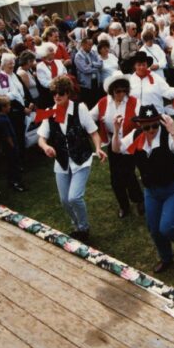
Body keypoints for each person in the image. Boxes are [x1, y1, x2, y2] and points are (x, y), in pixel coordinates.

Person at [112, 104, 174, 274]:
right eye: (146, 126)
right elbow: (116, 148)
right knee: (154, 229)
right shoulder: (136, 136)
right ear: (140, 125)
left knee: (168, 227)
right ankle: (166, 258)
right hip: (152, 191)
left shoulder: (169, 135)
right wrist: (116, 130)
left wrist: (173, 131)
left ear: (160, 122)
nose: (151, 130)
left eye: (155, 125)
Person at [37, 76, 106, 242]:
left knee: (74, 197)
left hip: (81, 159)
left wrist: (97, 147)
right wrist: (46, 147)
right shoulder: (50, 113)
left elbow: (93, 132)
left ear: (68, 93)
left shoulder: (80, 108)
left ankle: (84, 227)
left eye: (60, 93)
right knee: (64, 200)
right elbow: (41, 138)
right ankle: (77, 226)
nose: (56, 96)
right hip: (62, 162)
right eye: (54, 93)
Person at [89, 72, 144, 218]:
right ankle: (123, 205)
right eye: (117, 91)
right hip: (113, 142)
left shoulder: (134, 102)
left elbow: (142, 118)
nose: (121, 94)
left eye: (124, 90)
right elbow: (89, 117)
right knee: (115, 177)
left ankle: (138, 200)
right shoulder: (103, 102)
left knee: (128, 173)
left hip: (130, 142)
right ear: (111, 91)